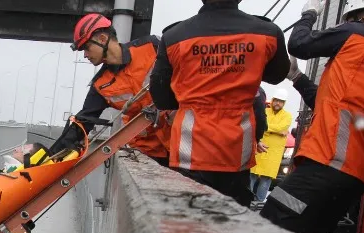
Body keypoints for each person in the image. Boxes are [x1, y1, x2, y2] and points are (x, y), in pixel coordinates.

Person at [260, 0, 364, 233]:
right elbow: (332, 101)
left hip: (325, 165)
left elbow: (299, 44)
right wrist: (297, 78)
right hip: (353, 179)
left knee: (272, 218)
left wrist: (309, 14)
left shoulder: (357, 34)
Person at [149, 0, 289, 207]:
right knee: (230, 223)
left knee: (189, 223)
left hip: (191, 151)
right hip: (236, 154)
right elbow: (276, 75)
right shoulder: (267, 32)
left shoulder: (174, 37)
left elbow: (161, 97)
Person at [49, 13, 173, 166]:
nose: (85, 55)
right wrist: (51, 156)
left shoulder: (152, 46)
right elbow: (83, 122)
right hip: (147, 153)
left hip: (181, 142)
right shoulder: (100, 85)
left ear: (102, 39)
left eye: (87, 48)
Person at [250, 88, 293, 202]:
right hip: (259, 149)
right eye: (276, 100)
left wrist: (267, 127)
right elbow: (259, 123)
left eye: (281, 101)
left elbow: (278, 126)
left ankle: (259, 203)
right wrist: (277, 131)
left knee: (266, 179)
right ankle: (246, 200)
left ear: (284, 103)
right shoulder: (264, 110)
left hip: (273, 153)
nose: (278, 103)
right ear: (273, 100)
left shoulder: (287, 116)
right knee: (251, 175)